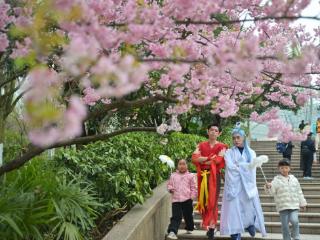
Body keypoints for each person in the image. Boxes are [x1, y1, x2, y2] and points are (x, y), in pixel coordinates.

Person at [220, 124, 266, 240]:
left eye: (238, 138)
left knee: (249, 207)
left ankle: (250, 224)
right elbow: (230, 168)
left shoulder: (251, 153)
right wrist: (245, 166)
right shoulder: (229, 152)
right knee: (233, 209)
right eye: (234, 138)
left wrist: (240, 166)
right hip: (234, 185)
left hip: (248, 185)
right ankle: (235, 233)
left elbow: (252, 169)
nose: (236, 140)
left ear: (243, 138)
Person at [192, 123, 227, 240]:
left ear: (219, 133)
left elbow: (218, 161)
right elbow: (194, 158)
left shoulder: (222, 146)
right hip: (202, 176)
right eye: (211, 130)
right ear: (207, 131)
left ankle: (212, 227)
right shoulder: (201, 145)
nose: (213, 132)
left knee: (213, 201)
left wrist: (203, 160)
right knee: (203, 200)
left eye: (216, 131)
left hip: (214, 176)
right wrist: (210, 159)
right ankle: (207, 224)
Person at [265, 159, 307, 240]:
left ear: (289, 168)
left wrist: (303, 203)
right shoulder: (276, 180)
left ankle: (296, 236)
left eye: (286, 168)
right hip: (283, 206)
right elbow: (271, 192)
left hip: (294, 205)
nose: (284, 170)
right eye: (282, 168)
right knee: (285, 225)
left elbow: (299, 191)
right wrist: (268, 187)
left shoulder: (294, 179)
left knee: (295, 221)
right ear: (279, 169)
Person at [167, 159, 197, 240]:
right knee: (176, 216)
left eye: (184, 164)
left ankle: (190, 227)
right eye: (180, 164)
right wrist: (170, 189)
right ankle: (172, 232)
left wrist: (192, 197)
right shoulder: (173, 175)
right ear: (177, 166)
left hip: (187, 199)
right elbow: (169, 185)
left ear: (187, 166)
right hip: (176, 200)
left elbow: (194, 188)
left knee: (188, 216)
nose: (182, 166)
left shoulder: (190, 176)